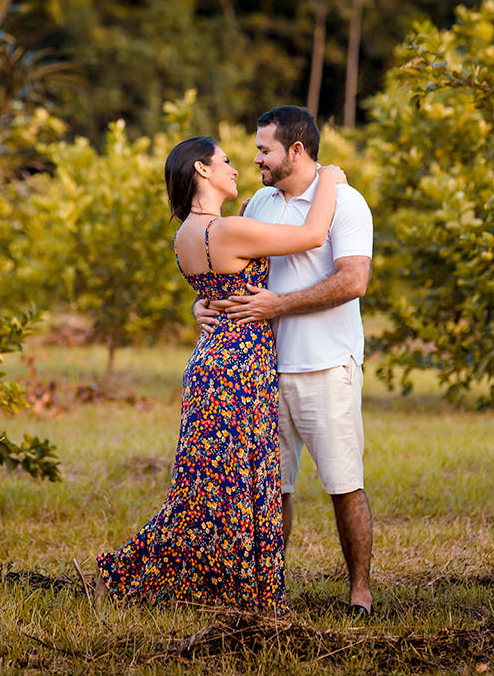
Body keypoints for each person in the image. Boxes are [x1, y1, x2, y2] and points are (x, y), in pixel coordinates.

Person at [95, 135, 347, 612]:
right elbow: (314, 234)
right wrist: (329, 177)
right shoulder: (228, 230)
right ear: (202, 170)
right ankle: (133, 574)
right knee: (240, 485)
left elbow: (214, 286)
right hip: (240, 368)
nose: (236, 168)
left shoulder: (186, 235)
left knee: (205, 489)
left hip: (210, 361)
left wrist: (199, 305)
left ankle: (196, 583)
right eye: (225, 161)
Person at [197, 106, 375, 616]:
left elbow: (353, 280)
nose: (256, 159)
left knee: (344, 484)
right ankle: (268, 593)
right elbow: (232, 270)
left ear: (296, 150)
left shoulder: (345, 201)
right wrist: (203, 304)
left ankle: (359, 591)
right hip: (263, 370)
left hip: (327, 365)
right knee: (273, 489)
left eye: (264, 150)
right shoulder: (258, 203)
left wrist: (280, 305)